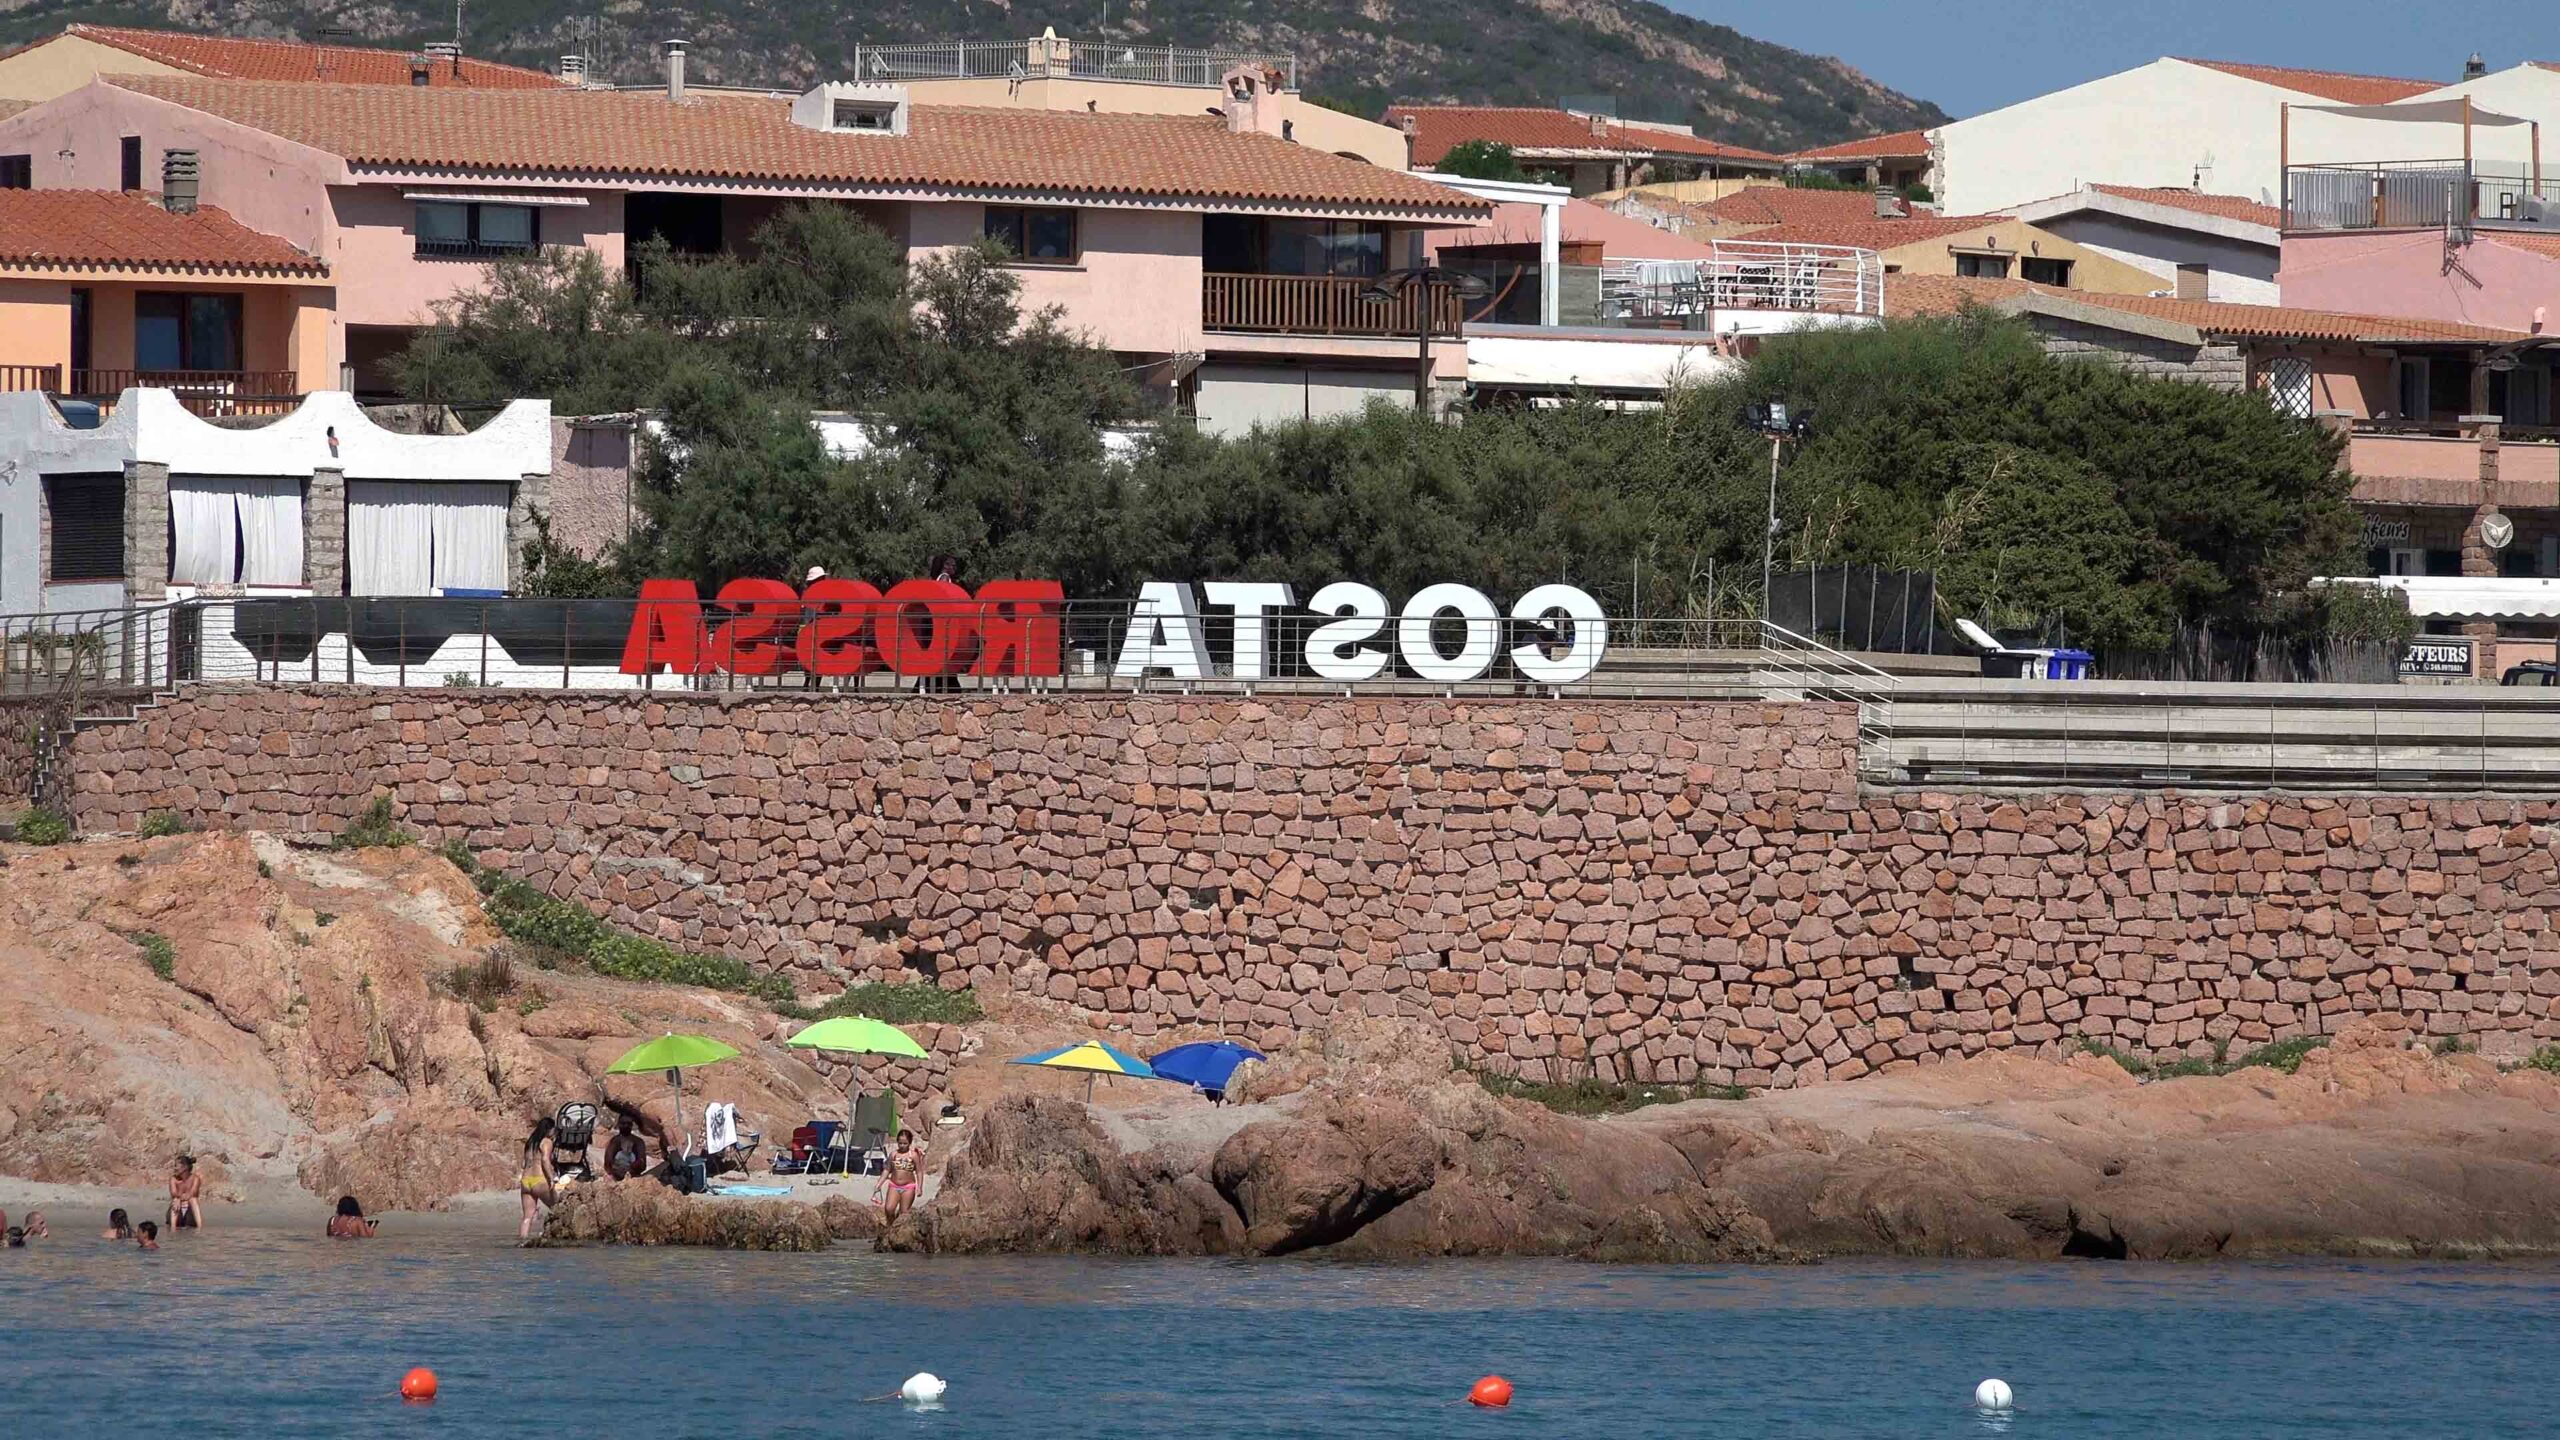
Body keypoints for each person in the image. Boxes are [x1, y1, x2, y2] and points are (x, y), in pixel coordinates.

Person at [518, 1117, 557, 1242]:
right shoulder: (546, 1141)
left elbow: (524, 1163)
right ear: (549, 1129)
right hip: (539, 1179)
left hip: (525, 1181)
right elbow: (545, 1160)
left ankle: (522, 1242)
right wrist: (551, 1179)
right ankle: (548, 1235)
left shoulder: (530, 1142)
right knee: (557, 1208)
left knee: (527, 1217)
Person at [880, 1128, 923, 1224]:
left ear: (910, 1143)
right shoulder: (894, 1154)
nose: (902, 1146)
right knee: (889, 1209)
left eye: (905, 1143)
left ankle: (898, 1228)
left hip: (908, 1187)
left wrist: (919, 1187)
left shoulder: (913, 1155)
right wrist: (879, 1184)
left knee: (904, 1212)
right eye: (900, 1143)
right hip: (894, 1185)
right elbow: (887, 1170)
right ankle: (890, 1226)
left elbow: (919, 1171)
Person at [601, 1115, 649, 1181]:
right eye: (623, 1123)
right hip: (616, 1175)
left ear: (632, 1125)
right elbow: (608, 1162)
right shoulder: (615, 1141)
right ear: (618, 1124)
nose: (626, 1126)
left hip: (633, 1176)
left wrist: (631, 1168)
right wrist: (616, 1170)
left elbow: (642, 1162)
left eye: (629, 1124)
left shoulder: (638, 1141)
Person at [168, 1154, 205, 1231]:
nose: (174, 1168)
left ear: (185, 1167)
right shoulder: (173, 1179)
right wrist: (178, 1199)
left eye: (176, 1166)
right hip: (177, 1209)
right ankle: (173, 1228)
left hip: (190, 1210)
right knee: (175, 1199)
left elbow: (193, 1193)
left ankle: (200, 1227)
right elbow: (174, 1193)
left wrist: (180, 1198)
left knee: (193, 1200)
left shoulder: (195, 1179)